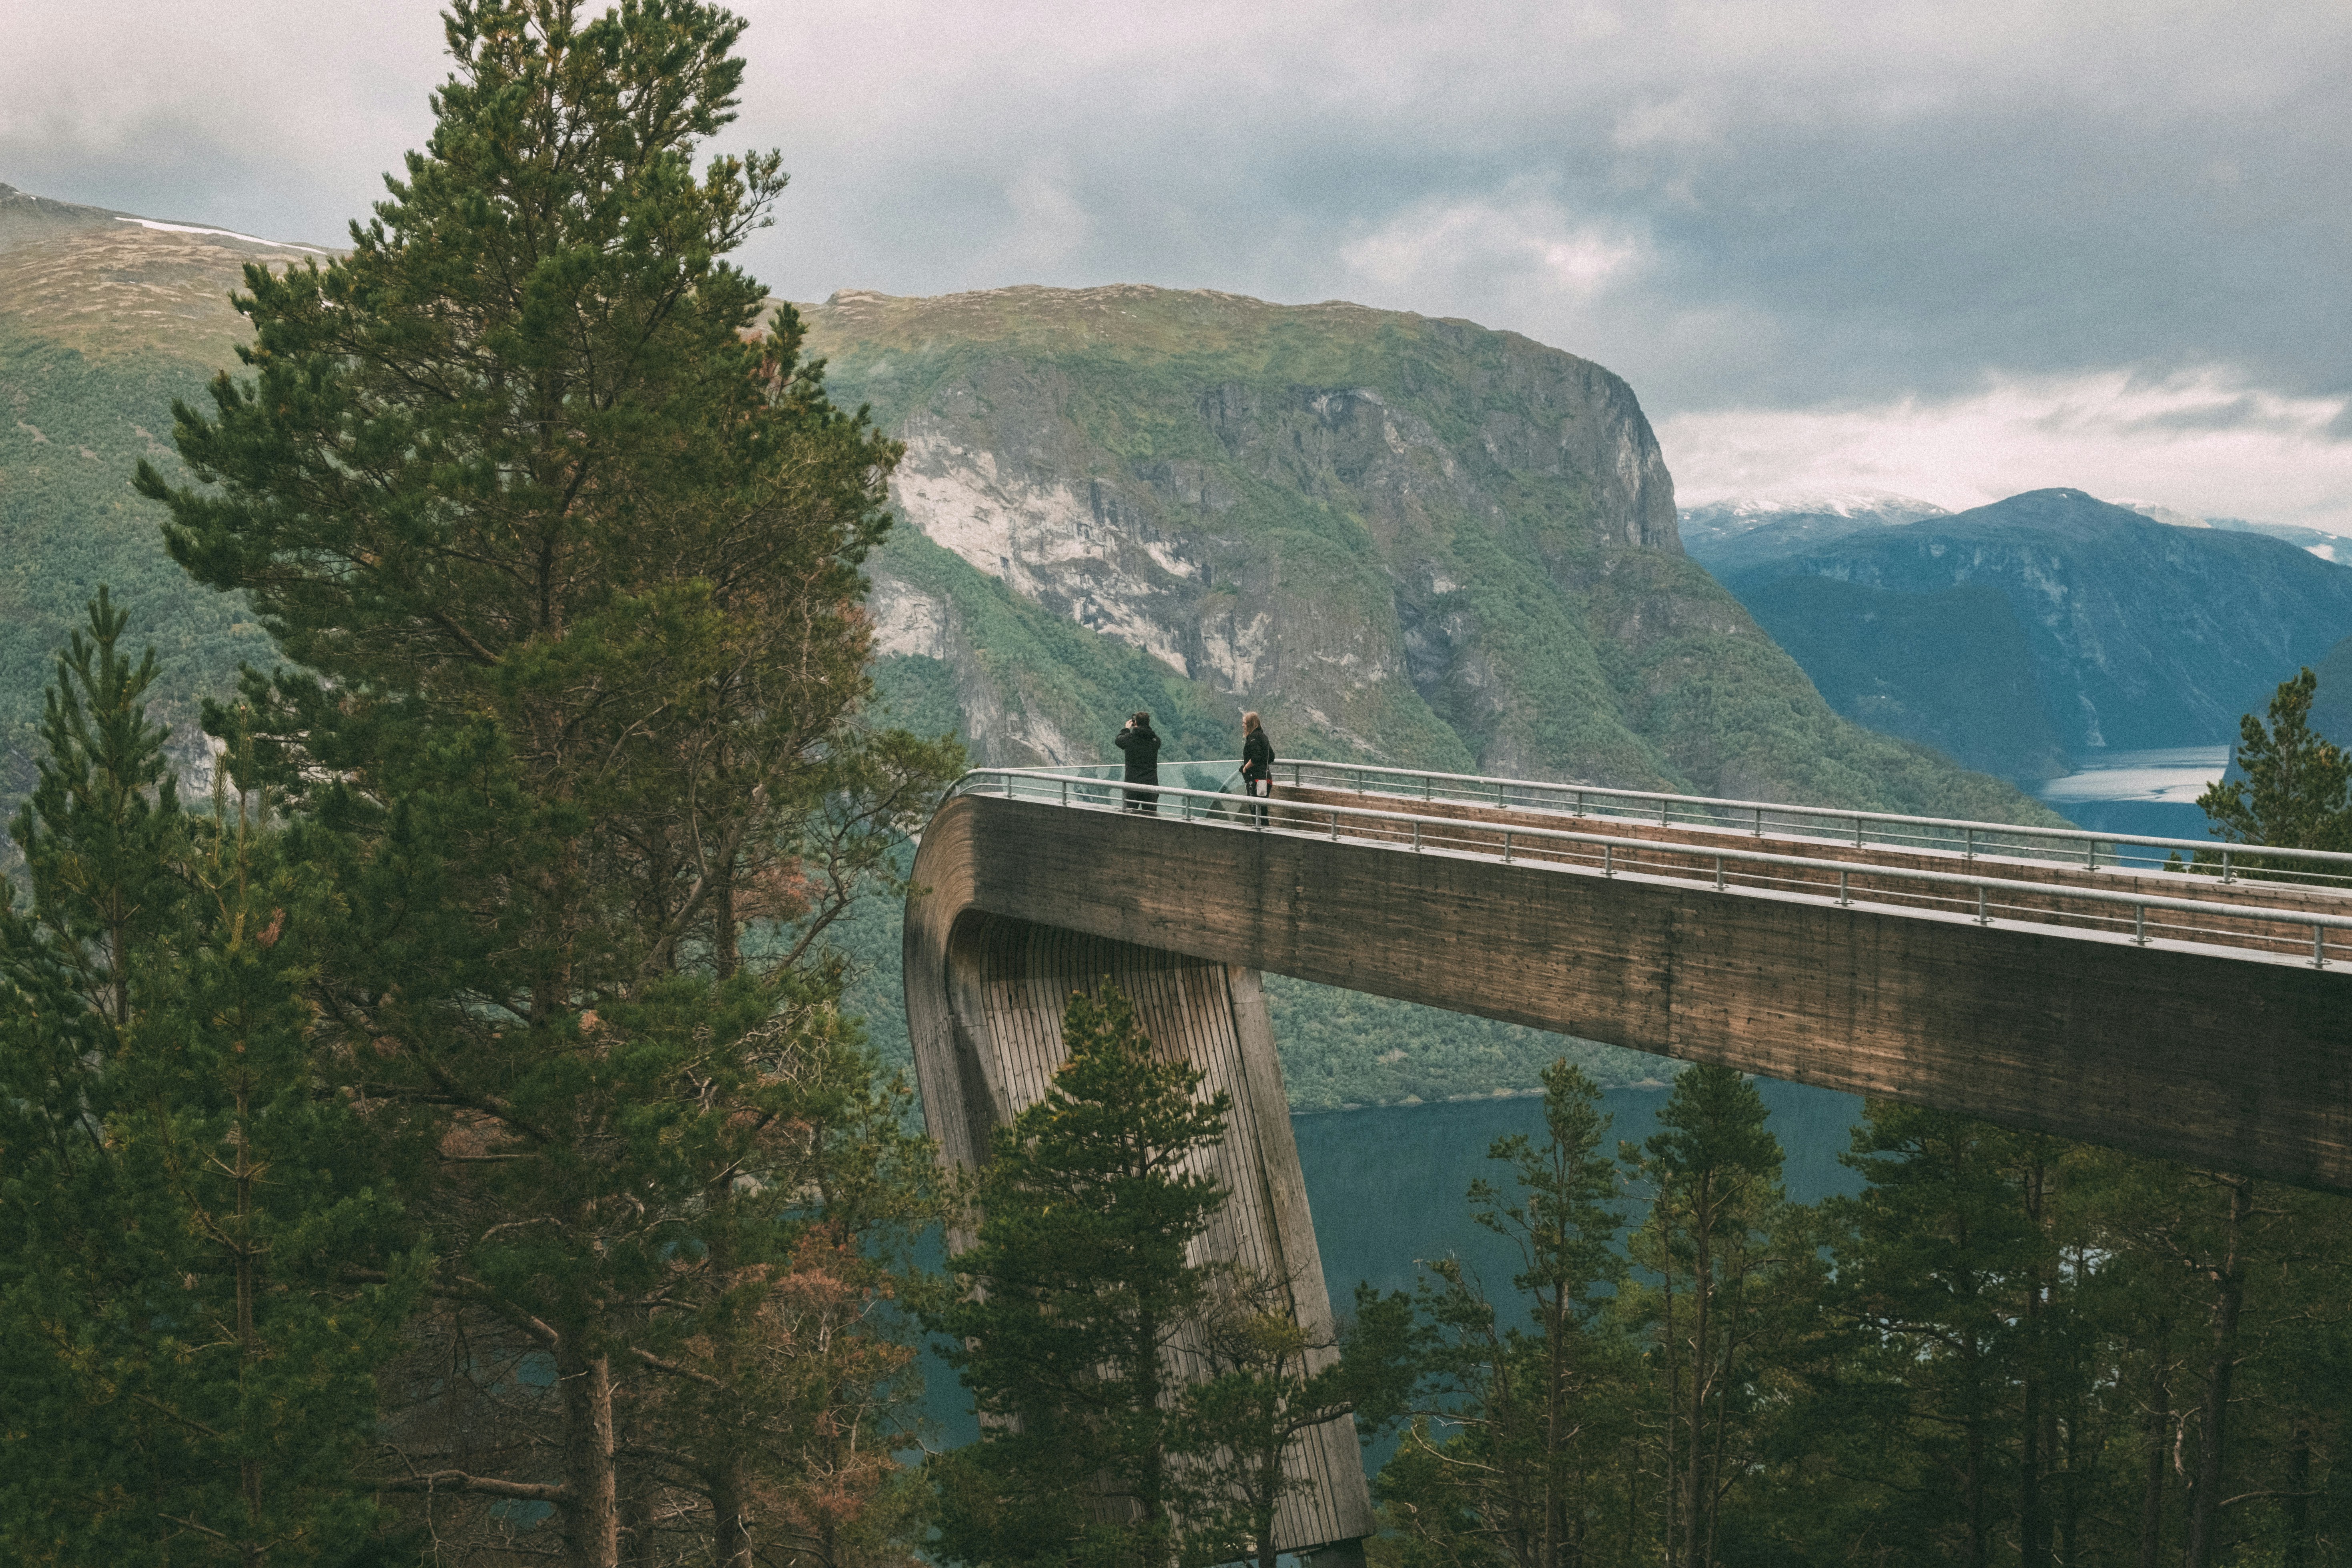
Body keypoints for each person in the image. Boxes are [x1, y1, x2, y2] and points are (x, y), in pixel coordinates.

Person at [1115, 710, 1161, 814]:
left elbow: (1119, 741)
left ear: (1135, 723)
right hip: (1151, 784)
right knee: (1151, 816)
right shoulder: (1155, 741)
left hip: (1133, 783)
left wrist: (1127, 729)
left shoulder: (1130, 739)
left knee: (1129, 814)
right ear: (1148, 723)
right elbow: (1156, 740)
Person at [1240, 710, 1275, 827]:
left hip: (1255, 780)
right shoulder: (1263, 737)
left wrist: (1245, 768)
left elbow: (1256, 757)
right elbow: (1272, 757)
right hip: (1266, 779)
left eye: (1245, 723)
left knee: (1256, 812)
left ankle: (1262, 838)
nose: (1243, 725)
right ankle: (1267, 835)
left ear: (1250, 724)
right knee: (1262, 811)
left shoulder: (1253, 738)